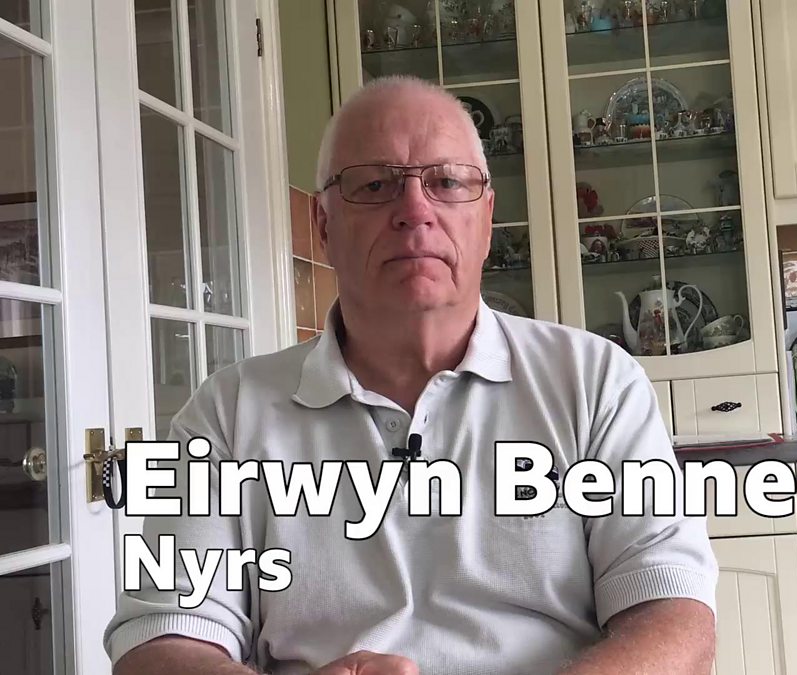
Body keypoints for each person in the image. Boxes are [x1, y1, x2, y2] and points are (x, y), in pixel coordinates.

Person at [104, 74, 718, 675]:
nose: (414, 210)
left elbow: (677, 617)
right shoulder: (227, 413)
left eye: (447, 182)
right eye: (374, 185)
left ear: (486, 219)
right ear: (324, 226)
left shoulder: (596, 383)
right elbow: (160, 641)